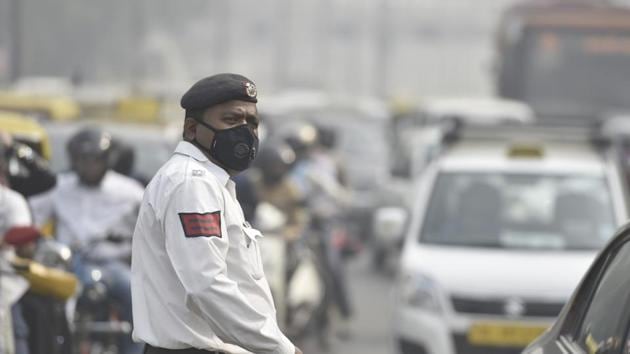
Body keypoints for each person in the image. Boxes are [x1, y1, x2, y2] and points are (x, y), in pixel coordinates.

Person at [131, 73, 301, 354]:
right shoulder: (192, 184)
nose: (246, 132)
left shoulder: (210, 182)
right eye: (232, 120)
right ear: (191, 129)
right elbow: (207, 284)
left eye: (252, 122)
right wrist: (280, 348)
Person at [28, 127, 144, 354]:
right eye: (84, 160)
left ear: (106, 160)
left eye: (95, 160)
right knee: (45, 302)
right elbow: (32, 216)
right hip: (69, 264)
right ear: (74, 160)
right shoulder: (59, 186)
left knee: (136, 294)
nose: (90, 166)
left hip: (112, 265)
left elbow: (153, 226)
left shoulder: (130, 191)